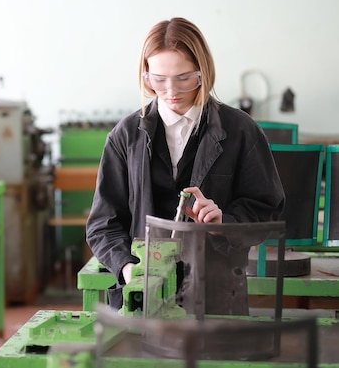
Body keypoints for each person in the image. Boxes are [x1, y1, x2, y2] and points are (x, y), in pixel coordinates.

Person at [85, 17, 285, 315]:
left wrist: (223, 222)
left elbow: (267, 208)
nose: (170, 91)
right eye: (159, 79)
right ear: (146, 75)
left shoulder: (242, 131)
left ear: (203, 73)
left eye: (183, 77)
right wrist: (130, 271)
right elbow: (103, 224)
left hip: (215, 294)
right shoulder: (124, 136)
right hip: (143, 300)